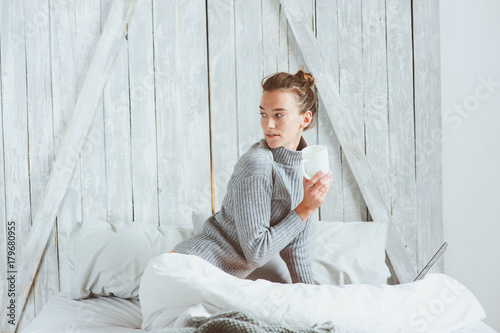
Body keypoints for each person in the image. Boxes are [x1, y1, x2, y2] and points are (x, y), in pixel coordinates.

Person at [172, 70, 333, 284]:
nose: (269, 125)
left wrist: (312, 300)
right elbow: (257, 252)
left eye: (278, 114)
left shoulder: (301, 167)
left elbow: (296, 248)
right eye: (263, 114)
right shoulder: (257, 163)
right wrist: (306, 208)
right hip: (187, 269)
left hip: (215, 280)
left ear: (305, 118)